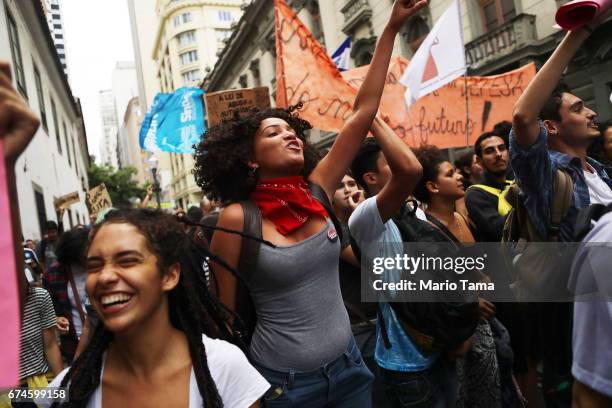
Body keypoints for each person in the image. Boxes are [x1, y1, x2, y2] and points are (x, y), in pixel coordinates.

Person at [193, 2, 428, 405]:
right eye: (274, 133)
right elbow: (223, 321)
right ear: (248, 159)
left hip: (352, 367)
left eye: (292, 130)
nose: (291, 136)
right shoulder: (236, 219)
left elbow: (362, 112)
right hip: (284, 388)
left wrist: (391, 28)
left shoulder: (316, 190)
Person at [45, 209, 270, 407]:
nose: (105, 276)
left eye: (127, 261)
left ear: (170, 275)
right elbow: (20, 396)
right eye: (94, 265)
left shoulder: (223, 368)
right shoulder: (76, 384)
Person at [511, 12, 612, 406]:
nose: (591, 113)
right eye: (578, 107)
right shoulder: (545, 175)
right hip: (577, 317)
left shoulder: (602, 172)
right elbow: (522, 116)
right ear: (551, 126)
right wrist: (580, 32)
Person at [412, 145, 501, 408]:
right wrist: (470, 303)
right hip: (456, 336)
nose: (459, 176)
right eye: (450, 174)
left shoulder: (462, 219)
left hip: (483, 327)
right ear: (433, 187)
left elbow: (477, 272)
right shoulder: (425, 231)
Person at [43, 228, 90, 363]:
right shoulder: (53, 274)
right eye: (85, 251)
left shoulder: (102, 266)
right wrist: (57, 320)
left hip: (109, 341)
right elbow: (51, 312)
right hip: (74, 346)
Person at [464, 131, 511, 243]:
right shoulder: (475, 194)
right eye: (489, 151)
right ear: (479, 161)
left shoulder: (514, 184)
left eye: (501, 148)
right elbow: (498, 230)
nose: (498, 154)